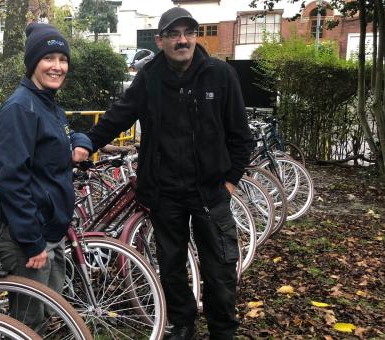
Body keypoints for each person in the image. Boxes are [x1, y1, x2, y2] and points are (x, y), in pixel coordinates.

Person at [85, 7, 254, 340]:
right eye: (174, 34)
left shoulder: (219, 76)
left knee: (220, 266)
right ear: (160, 40)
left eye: (188, 33)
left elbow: (241, 136)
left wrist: (230, 181)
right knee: (172, 266)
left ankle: (223, 330)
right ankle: (183, 324)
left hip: (210, 191)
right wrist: (86, 142)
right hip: (165, 193)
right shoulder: (149, 78)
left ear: (195, 36)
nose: (182, 40)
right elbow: (119, 115)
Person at [0, 23, 91, 332]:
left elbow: (64, 134)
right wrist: (32, 242)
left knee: (46, 313)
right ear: (33, 62)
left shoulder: (47, 104)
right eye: (49, 59)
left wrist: (81, 141)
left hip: (50, 228)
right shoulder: (19, 109)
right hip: (28, 235)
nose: (57, 67)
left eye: (63, 59)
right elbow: (11, 180)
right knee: (26, 323)